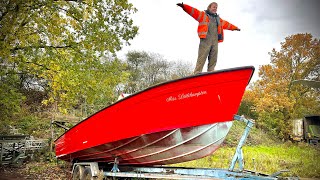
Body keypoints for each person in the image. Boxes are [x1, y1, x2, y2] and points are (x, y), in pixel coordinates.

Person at [177, 2, 240, 74]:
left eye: (216, 7)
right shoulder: (203, 15)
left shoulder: (219, 20)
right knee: (202, 56)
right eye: (214, 7)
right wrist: (184, 6)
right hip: (205, 39)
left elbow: (227, 24)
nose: (215, 9)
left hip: (215, 41)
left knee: (214, 56)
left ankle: (211, 70)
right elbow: (193, 11)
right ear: (209, 7)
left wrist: (235, 28)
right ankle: (197, 71)